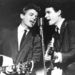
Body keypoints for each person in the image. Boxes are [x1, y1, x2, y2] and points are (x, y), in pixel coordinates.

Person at [0, 3, 42, 75]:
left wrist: (28, 65)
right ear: (22, 16)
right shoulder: (5, 32)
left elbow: (36, 59)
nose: (34, 18)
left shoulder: (36, 38)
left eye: (36, 16)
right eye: (31, 15)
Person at [44, 2, 75, 75]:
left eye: (48, 12)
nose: (45, 16)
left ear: (58, 12)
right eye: (45, 13)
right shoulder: (54, 33)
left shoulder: (72, 25)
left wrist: (59, 55)